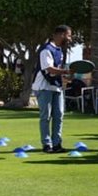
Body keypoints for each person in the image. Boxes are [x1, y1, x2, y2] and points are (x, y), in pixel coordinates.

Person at [32, 25, 72, 153]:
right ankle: (47, 145)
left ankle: (57, 144)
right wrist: (65, 71)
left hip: (56, 87)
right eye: (69, 35)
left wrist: (65, 77)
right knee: (46, 116)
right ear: (61, 35)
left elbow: (57, 70)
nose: (70, 39)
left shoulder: (60, 50)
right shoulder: (46, 49)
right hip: (44, 87)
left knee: (59, 115)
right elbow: (49, 69)